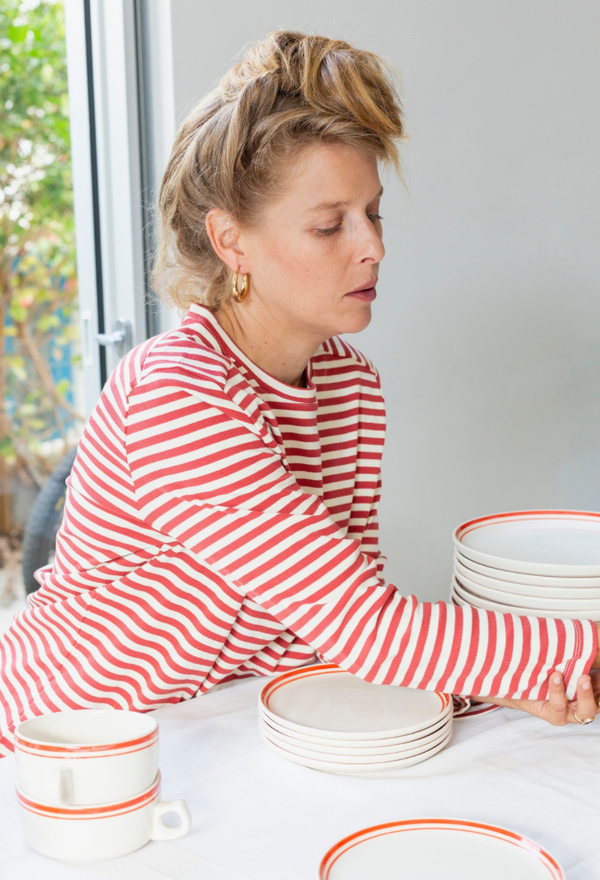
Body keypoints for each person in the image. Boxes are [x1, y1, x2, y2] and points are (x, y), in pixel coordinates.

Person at [1, 30, 598, 756]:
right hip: (62, 744)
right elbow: (365, 625)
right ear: (232, 242)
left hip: (211, 733)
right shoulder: (177, 395)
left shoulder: (350, 388)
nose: (372, 246)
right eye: (328, 225)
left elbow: (324, 628)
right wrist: (570, 648)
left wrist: (504, 676)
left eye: (374, 213)